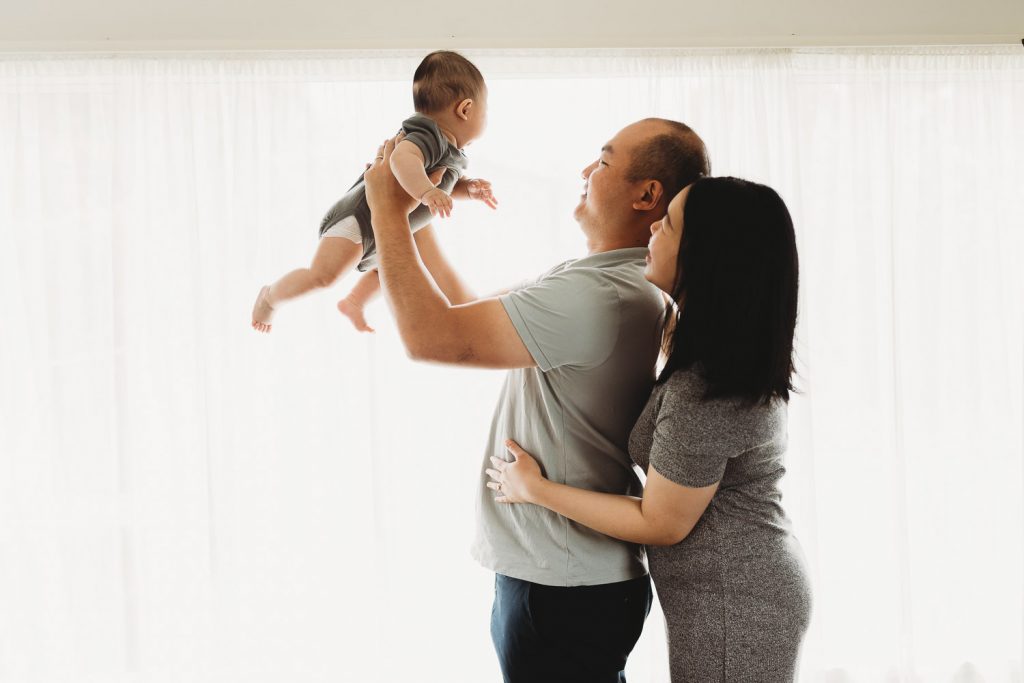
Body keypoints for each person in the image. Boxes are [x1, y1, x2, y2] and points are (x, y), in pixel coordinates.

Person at [363, 119, 710, 682]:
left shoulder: (600, 294)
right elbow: (461, 308)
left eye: (601, 161)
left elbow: (433, 338)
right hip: (564, 580)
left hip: (562, 587)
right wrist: (408, 212)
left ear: (647, 194)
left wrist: (383, 209)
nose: (584, 172)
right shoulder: (599, 279)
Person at [486, 176, 813, 682]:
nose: (653, 225)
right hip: (730, 587)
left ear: (706, 257)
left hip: (737, 600)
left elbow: (663, 523)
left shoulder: (708, 394)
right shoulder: (706, 352)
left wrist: (536, 489)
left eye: (671, 223)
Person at [250, 50, 497, 333]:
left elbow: (445, 185)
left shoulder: (450, 152)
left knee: (393, 269)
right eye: (485, 110)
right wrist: (427, 193)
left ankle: (354, 301)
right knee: (323, 276)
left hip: (384, 231)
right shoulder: (428, 135)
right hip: (360, 219)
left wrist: (469, 188)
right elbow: (403, 160)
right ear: (465, 109)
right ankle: (269, 298)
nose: (486, 117)